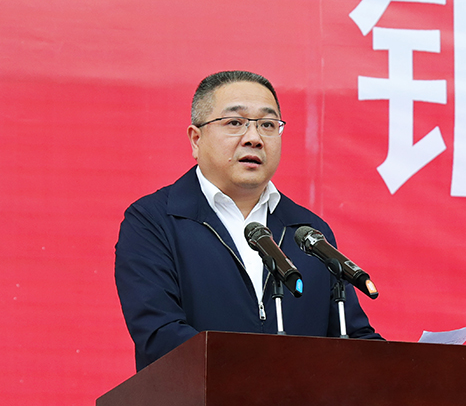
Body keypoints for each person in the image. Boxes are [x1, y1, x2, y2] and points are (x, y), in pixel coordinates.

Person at [115, 70, 383, 371]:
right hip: (196, 401)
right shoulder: (153, 222)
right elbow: (160, 335)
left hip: (298, 403)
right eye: (235, 123)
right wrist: (261, 375)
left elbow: (352, 336)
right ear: (196, 139)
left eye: (267, 125)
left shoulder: (308, 233)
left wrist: (407, 368)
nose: (254, 138)